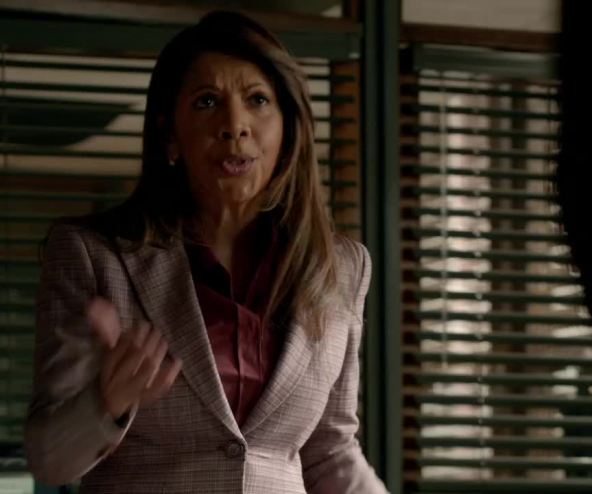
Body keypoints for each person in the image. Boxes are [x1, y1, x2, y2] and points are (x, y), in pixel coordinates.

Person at [24, 11, 388, 494]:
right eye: (207, 101)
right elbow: (49, 462)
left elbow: (330, 451)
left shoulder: (341, 267)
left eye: (257, 100)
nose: (234, 125)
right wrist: (105, 402)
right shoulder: (95, 255)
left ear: (289, 130)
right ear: (170, 136)